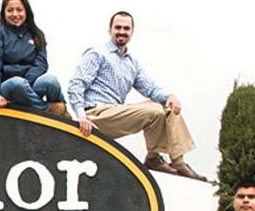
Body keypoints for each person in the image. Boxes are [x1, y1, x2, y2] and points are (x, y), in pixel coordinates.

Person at [63, 11, 200, 179]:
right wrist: (81, 117)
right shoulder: (97, 54)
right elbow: (76, 85)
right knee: (155, 110)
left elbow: (150, 89)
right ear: (110, 30)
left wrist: (170, 96)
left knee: (167, 105)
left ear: (132, 32)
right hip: (96, 115)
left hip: (117, 111)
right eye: (118, 27)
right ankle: (161, 160)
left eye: (126, 28)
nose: (122, 31)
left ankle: (167, 160)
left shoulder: (132, 62)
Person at [0, 0, 64, 111]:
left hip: (29, 84)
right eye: (10, 10)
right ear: (4, 13)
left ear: (26, 12)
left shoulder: (37, 34)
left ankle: (63, 111)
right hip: (9, 85)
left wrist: (27, 82)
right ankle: (48, 110)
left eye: (19, 10)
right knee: (17, 83)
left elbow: (41, 64)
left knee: (51, 82)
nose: (15, 14)